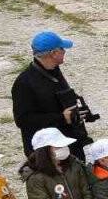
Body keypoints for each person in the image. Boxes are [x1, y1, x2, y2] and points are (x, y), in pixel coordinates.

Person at [12, 31, 93, 160]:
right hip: (47, 153)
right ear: (53, 53)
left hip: (69, 142)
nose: (64, 51)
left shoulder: (53, 70)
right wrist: (62, 118)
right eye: (62, 49)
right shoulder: (24, 83)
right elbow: (23, 120)